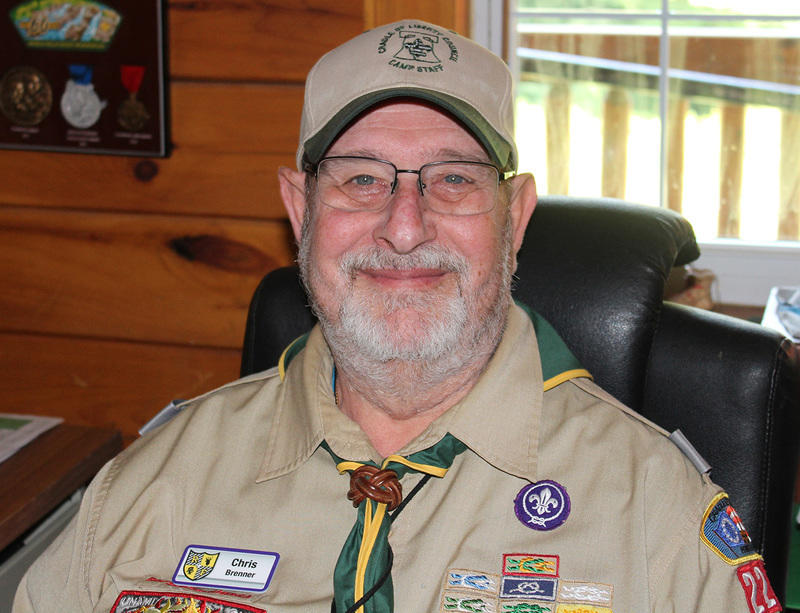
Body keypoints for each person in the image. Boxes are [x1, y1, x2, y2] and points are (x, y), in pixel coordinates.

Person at [14, 19, 782, 613]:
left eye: (452, 178)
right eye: (360, 178)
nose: (405, 226)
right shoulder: (144, 492)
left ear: (513, 219)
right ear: (298, 210)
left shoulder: (659, 517)